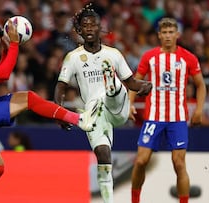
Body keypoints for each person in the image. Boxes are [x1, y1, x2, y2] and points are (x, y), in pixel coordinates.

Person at [0, 20, 102, 203]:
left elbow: (0, 72)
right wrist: (13, 44)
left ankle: (79, 119)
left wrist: (6, 49)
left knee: (29, 98)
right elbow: (3, 75)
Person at [54, 5, 152, 203]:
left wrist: (145, 85)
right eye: (85, 26)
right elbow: (60, 87)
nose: (89, 29)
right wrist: (60, 112)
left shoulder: (113, 54)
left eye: (93, 25)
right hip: (95, 114)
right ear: (79, 31)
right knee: (103, 155)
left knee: (114, 87)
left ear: (100, 28)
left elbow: (132, 83)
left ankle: (111, 87)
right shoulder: (73, 58)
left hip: (117, 108)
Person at [129, 17, 206, 203]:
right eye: (164, 33)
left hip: (177, 118)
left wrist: (199, 110)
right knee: (140, 161)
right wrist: (130, 103)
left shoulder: (188, 58)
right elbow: (135, 82)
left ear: (177, 34)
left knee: (179, 163)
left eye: (171, 32)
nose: (168, 36)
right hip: (154, 117)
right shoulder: (149, 57)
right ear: (159, 35)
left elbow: (201, 85)